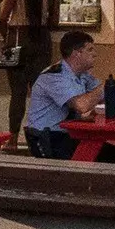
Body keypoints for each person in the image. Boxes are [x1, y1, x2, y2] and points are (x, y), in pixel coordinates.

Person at [0, 0, 56, 146]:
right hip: (42, 41)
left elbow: (2, 18)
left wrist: (8, 38)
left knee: (18, 93)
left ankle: (13, 139)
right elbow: (54, 22)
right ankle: (38, 138)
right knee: (40, 93)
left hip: (17, 40)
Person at [23, 30, 101, 159]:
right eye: (90, 50)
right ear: (77, 54)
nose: (95, 54)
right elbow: (81, 105)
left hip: (67, 135)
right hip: (48, 138)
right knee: (106, 157)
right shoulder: (55, 76)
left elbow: (103, 96)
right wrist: (106, 87)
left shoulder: (82, 74)